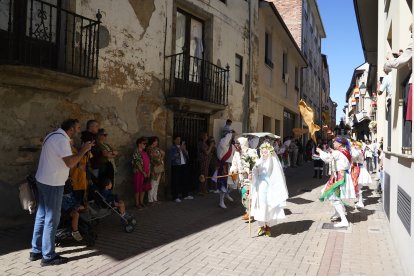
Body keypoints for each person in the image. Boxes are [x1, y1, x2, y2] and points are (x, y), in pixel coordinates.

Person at [30, 119, 94, 266]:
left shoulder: (52, 135)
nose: (79, 130)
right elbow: (70, 163)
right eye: (78, 128)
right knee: (52, 219)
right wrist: (84, 150)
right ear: (71, 129)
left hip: (43, 180)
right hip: (53, 183)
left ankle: (36, 250)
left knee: (41, 215)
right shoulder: (61, 140)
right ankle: (48, 256)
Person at [250, 142, 288, 237]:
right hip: (259, 187)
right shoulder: (258, 161)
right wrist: (252, 174)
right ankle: (260, 226)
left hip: (268, 187)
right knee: (259, 206)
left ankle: (267, 226)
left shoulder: (272, 162)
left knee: (268, 206)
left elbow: (275, 174)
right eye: (262, 152)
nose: (264, 154)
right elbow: (255, 173)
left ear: (269, 153)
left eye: (266, 152)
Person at [318, 137, 356, 228]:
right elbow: (334, 154)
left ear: (339, 144)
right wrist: (329, 150)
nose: (333, 144)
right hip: (341, 175)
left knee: (333, 197)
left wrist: (320, 151)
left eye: (334, 142)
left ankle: (344, 220)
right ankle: (337, 213)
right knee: (334, 195)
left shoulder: (338, 152)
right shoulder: (345, 151)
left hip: (339, 176)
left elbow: (327, 158)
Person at [229, 137, 252, 220]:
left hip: (250, 179)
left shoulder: (250, 153)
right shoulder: (236, 153)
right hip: (241, 179)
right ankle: (249, 211)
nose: (236, 145)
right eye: (235, 143)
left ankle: (249, 213)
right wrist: (233, 171)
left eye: (237, 144)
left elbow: (253, 165)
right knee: (244, 195)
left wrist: (247, 171)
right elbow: (234, 164)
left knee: (247, 195)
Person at [169, 135, 192, 202]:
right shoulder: (172, 148)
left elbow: (187, 155)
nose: (179, 141)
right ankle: (175, 197)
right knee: (175, 181)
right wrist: (179, 150)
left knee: (184, 180)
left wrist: (184, 149)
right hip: (176, 165)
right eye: (177, 139)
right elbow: (172, 157)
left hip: (183, 164)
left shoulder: (182, 147)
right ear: (174, 140)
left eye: (180, 139)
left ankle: (185, 195)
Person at [216, 132, 235, 208]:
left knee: (233, 185)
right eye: (230, 137)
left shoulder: (232, 147)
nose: (231, 139)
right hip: (223, 166)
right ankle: (221, 202)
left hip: (231, 166)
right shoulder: (222, 145)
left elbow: (234, 156)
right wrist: (223, 166)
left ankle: (227, 194)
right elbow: (219, 156)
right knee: (223, 184)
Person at [132, 137, 151, 209]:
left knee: (143, 188)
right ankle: (137, 203)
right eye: (144, 143)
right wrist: (143, 172)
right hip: (139, 173)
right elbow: (137, 163)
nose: (145, 145)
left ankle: (141, 202)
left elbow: (148, 163)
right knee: (138, 188)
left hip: (146, 173)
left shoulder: (144, 152)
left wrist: (148, 171)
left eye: (146, 143)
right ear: (139, 144)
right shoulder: (136, 152)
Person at [147, 136, 165, 204]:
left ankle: (155, 198)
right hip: (153, 168)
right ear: (151, 141)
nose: (156, 142)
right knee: (153, 183)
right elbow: (152, 158)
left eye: (157, 141)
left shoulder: (157, 148)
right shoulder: (149, 149)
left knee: (157, 183)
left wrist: (161, 157)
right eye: (154, 141)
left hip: (159, 167)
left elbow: (163, 154)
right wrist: (160, 158)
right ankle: (150, 199)